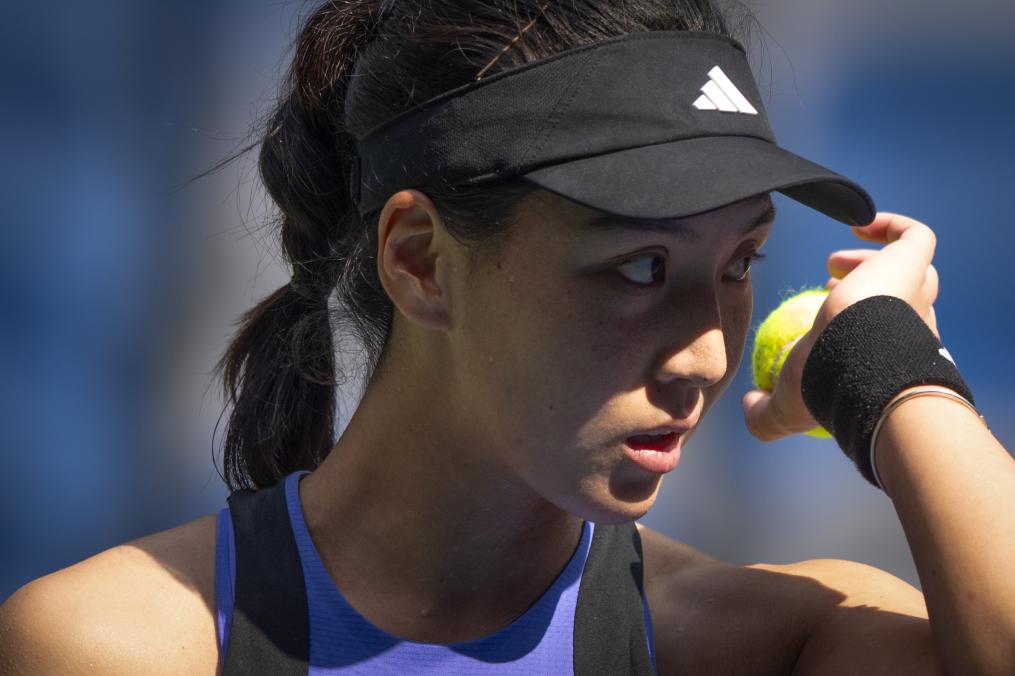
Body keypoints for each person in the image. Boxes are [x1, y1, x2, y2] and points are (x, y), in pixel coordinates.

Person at [2, 1, 1013, 674]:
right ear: (421, 261)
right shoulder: (116, 646)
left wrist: (888, 370)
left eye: (738, 262)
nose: (707, 354)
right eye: (639, 267)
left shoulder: (760, 642)